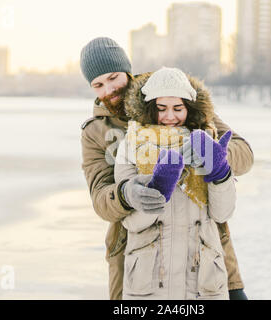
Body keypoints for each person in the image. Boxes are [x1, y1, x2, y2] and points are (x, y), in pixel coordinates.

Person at [79, 37, 254, 300]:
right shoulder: (96, 132)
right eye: (98, 85)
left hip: (203, 247)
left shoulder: (174, 95)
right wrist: (127, 193)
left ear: (127, 69)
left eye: (114, 77)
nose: (109, 89)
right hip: (137, 252)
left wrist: (214, 156)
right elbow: (101, 198)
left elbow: (244, 153)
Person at [114, 67, 237, 299]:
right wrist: (158, 188)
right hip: (149, 284)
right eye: (161, 109)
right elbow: (131, 222)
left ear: (189, 108)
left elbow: (222, 214)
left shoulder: (204, 141)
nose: (170, 116)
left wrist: (220, 173)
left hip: (202, 284)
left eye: (177, 108)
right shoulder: (130, 146)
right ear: (150, 109)